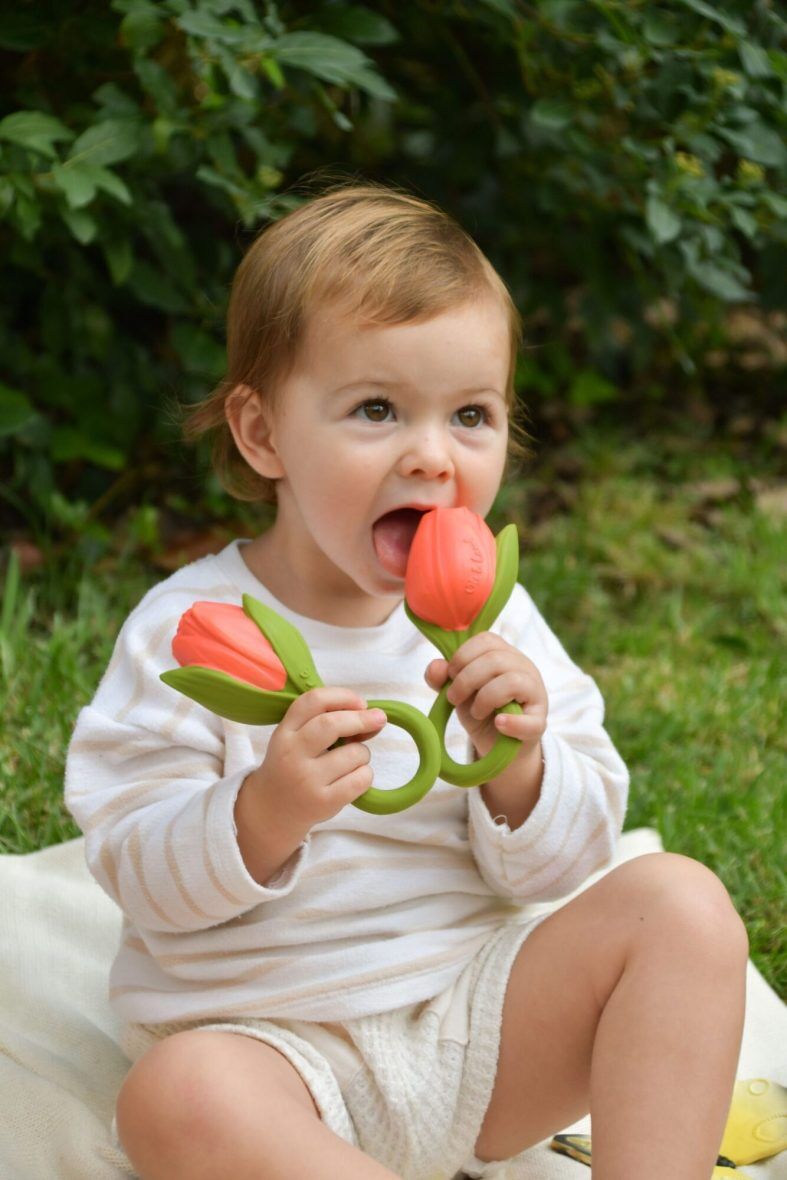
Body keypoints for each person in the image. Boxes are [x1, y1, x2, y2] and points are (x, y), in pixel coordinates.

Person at [65, 181, 748, 1180]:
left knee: (681, 904)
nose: (432, 456)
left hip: (481, 1027)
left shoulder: (497, 620)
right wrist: (263, 810)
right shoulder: (195, 632)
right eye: (377, 409)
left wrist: (517, 769)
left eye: (470, 414)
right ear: (262, 436)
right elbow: (131, 858)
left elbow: (573, 857)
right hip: (276, 1053)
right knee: (173, 1099)